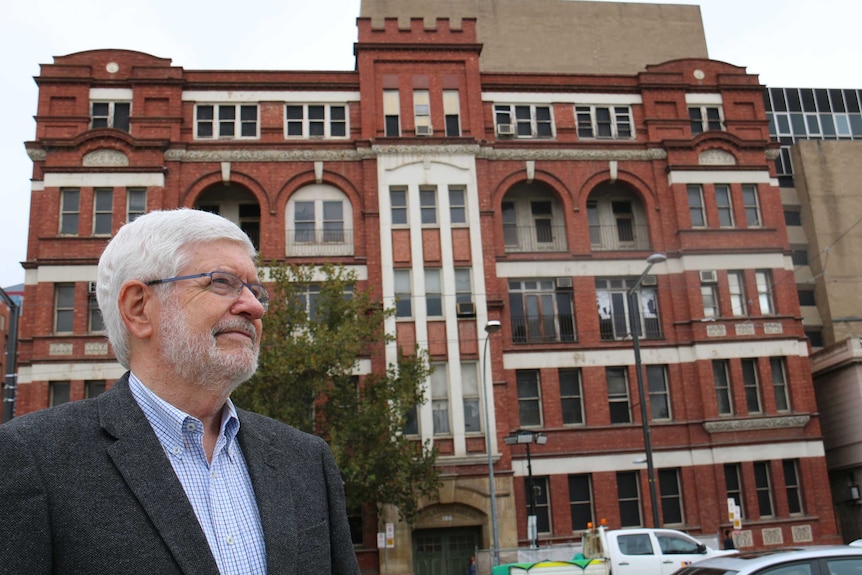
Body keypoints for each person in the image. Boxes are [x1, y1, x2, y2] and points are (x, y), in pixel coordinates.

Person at [0, 209, 361, 575]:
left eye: (256, 290)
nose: (253, 307)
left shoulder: (307, 459)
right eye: (222, 282)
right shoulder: (31, 459)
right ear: (139, 308)